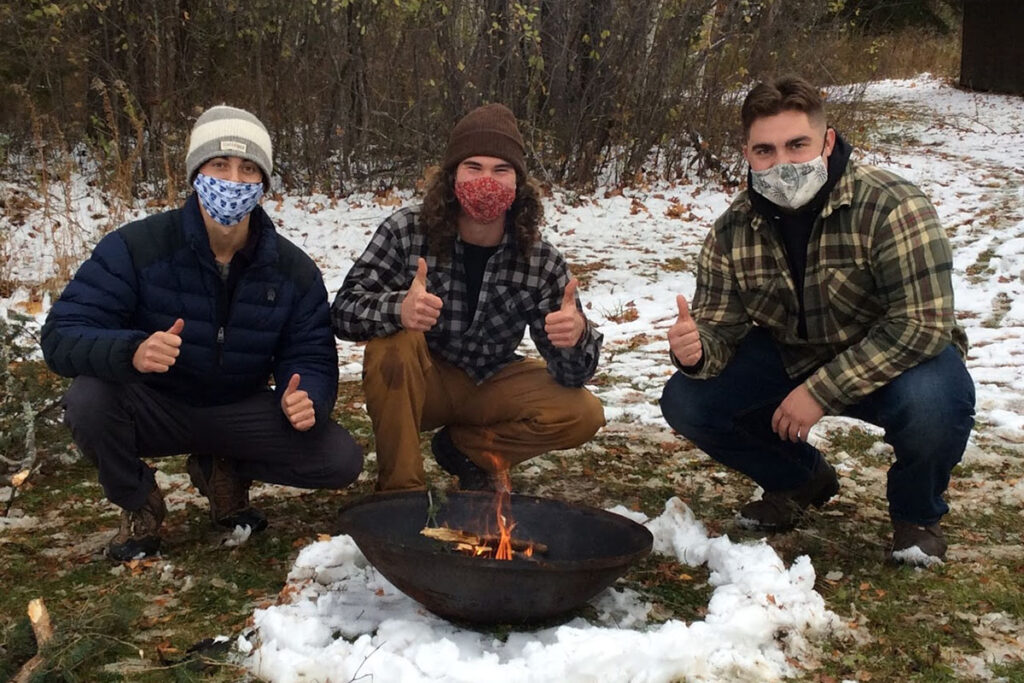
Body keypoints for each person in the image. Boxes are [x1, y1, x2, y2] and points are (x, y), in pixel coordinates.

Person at [659, 76, 975, 566]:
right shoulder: (731, 231)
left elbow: (923, 325)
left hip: (895, 358)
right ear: (747, 152)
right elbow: (719, 327)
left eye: (797, 144)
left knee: (934, 406)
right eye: (765, 150)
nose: (781, 163)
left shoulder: (892, 205)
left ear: (827, 141)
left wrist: (819, 393)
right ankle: (798, 479)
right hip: (792, 354)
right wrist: (697, 350)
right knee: (687, 399)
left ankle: (916, 516)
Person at [42, 105, 363, 561]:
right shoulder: (136, 248)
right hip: (155, 405)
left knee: (340, 459)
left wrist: (308, 396)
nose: (233, 180)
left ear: (263, 183)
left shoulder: (292, 270)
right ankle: (138, 500)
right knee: (88, 399)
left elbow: (310, 355)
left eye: (248, 168)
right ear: (196, 173)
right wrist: (131, 351)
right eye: (219, 165)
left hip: (239, 408)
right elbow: (60, 336)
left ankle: (222, 470)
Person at [332, 103, 604, 491]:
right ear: (452, 177)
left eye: (501, 170)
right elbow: (343, 311)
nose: (486, 181)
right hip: (423, 381)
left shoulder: (540, 259)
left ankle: (466, 448)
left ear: (518, 185)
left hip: (492, 379)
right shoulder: (406, 231)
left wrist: (576, 337)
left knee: (583, 413)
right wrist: (398, 309)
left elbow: (573, 375)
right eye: (473, 167)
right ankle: (400, 490)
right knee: (392, 347)